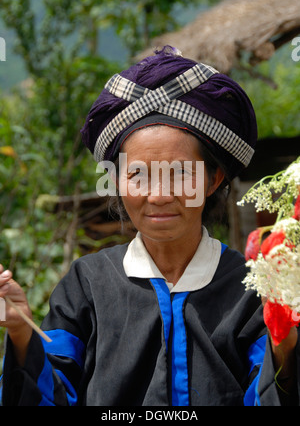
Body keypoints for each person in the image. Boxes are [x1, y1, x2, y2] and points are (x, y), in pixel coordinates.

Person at [0, 46, 299, 406]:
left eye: (180, 174)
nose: (158, 196)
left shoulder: (252, 289)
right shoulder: (87, 285)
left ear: (213, 179)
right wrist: (20, 332)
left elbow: (269, 394)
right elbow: (53, 394)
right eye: (138, 175)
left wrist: (285, 341)